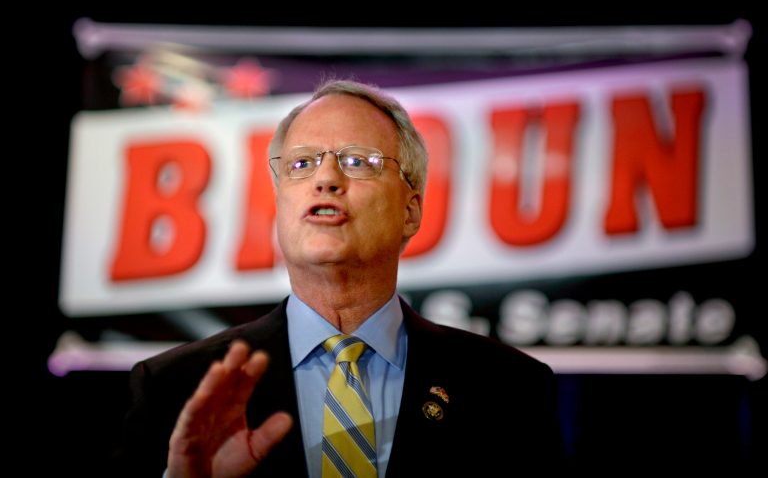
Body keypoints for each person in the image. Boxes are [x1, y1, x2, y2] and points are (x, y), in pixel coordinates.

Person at [118, 79, 565, 477]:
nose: (326, 179)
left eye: (358, 161)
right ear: (280, 205)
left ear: (410, 212)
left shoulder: (509, 388)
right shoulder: (174, 388)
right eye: (301, 164)